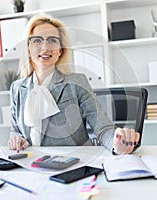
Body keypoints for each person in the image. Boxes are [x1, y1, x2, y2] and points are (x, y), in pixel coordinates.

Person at [8, 14, 140, 155]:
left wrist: (117, 144)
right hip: (31, 164)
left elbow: (103, 128)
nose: (45, 48)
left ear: (61, 50)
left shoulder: (77, 83)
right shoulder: (17, 88)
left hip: (73, 164)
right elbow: (15, 130)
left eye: (52, 41)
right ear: (28, 48)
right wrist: (16, 139)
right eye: (37, 40)